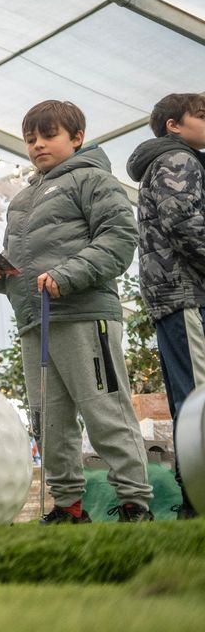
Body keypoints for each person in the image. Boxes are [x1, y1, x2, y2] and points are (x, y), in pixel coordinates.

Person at [0, 100, 153, 524]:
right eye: (30, 138)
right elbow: (21, 269)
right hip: (36, 321)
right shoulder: (20, 201)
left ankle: (135, 504)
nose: (37, 145)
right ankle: (69, 507)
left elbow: (119, 239)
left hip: (85, 315)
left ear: (77, 137)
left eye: (48, 135)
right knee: (48, 421)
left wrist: (68, 274)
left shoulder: (94, 180)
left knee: (104, 410)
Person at [126, 92, 205, 520]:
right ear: (173, 125)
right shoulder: (180, 160)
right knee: (198, 397)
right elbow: (184, 222)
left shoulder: (165, 161)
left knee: (187, 396)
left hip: (173, 295)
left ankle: (194, 494)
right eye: (202, 116)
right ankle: (198, 496)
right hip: (187, 291)